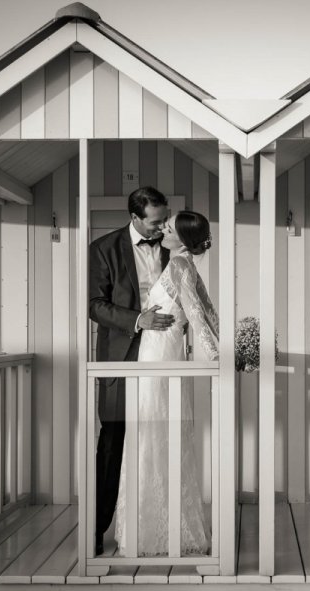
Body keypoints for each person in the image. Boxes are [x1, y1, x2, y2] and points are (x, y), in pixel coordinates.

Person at [115, 210, 218, 557]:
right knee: (156, 432)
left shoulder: (178, 266)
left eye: (169, 227)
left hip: (160, 355)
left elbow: (197, 313)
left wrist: (220, 356)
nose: (163, 229)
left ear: (182, 238)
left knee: (152, 431)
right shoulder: (183, 264)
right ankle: (159, 526)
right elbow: (206, 311)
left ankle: (152, 533)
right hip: (160, 349)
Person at [89, 186, 174, 556]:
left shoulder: (173, 246)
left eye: (164, 220)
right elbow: (95, 305)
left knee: (159, 443)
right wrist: (138, 320)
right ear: (135, 217)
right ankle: (96, 529)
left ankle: (153, 526)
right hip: (121, 358)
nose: (162, 228)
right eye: (156, 222)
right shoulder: (103, 248)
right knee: (113, 443)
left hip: (165, 359)